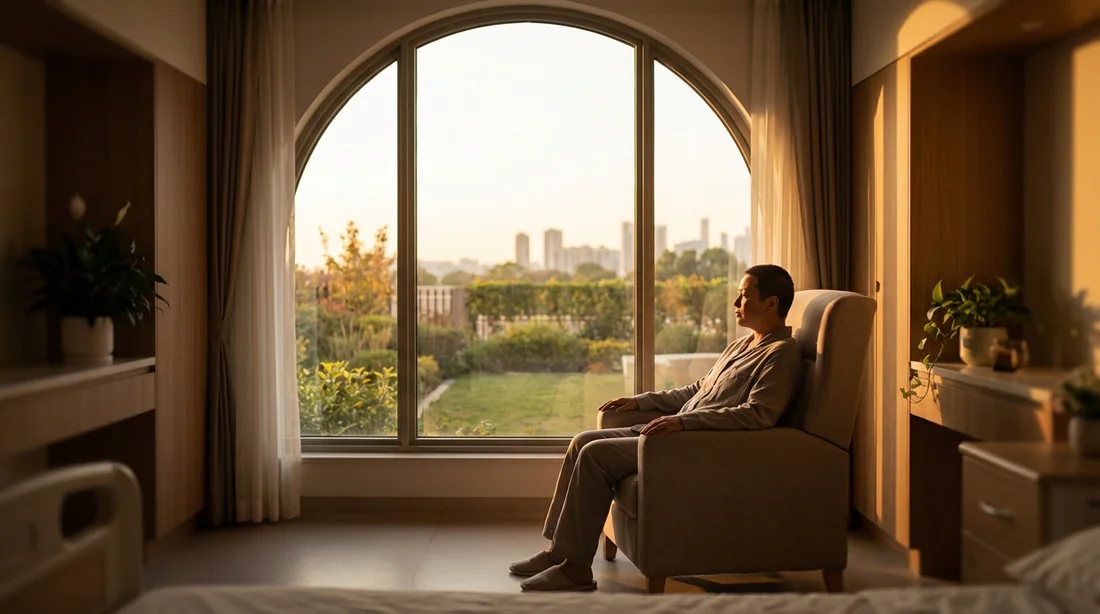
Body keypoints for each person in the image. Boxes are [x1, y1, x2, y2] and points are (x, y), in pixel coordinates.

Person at [509, 264, 805, 592]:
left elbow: (757, 414)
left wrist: (682, 422)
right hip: (668, 434)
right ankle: (558, 554)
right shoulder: (740, 346)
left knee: (595, 456)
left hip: (693, 445)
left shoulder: (782, 355)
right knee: (582, 442)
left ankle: (576, 569)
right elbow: (698, 390)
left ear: (771, 303)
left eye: (745, 295)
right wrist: (640, 401)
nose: (736, 304)